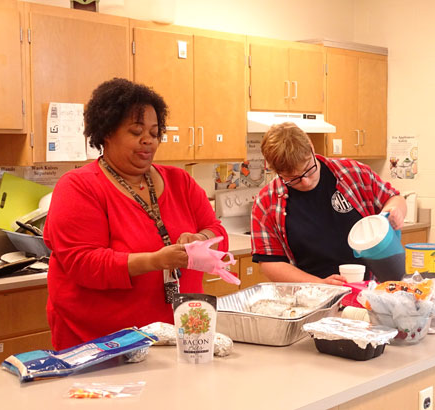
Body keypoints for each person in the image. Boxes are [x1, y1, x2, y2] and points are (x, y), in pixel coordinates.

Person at [44, 78, 228, 350]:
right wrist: (156, 261)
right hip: (102, 345)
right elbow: (84, 263)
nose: (148, 141)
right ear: (107, 132)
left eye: (154, 133)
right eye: (136, 131)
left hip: (178, 337)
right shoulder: (79, 187)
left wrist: (199, 238)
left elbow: (218, 235)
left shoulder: (181, 181)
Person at [250, 122, 406, 286]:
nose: (305, 181)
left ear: (311, 147)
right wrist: (320, 284)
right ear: (275, 171)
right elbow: (270, 263)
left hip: (370, 289)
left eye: (309, 168)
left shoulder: (353, 172)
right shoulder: (266, 202)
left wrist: (394, 211)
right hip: (311, 296)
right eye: (292, 179)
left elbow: (394, 198)